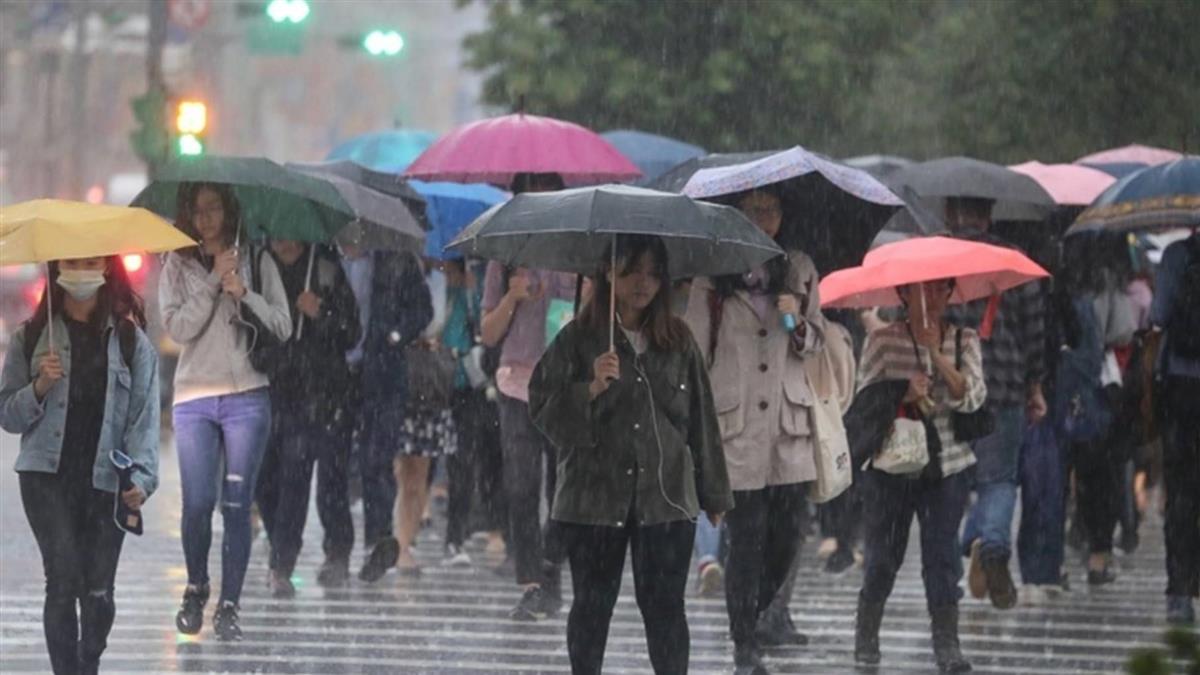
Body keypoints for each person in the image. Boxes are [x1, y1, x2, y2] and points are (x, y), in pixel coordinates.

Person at [529, 235, 733, 675]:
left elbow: (701, 417)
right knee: (591, 606)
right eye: (632, 270)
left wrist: (713, 493)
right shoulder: (578, 338)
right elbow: (543, 408)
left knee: (664, 609)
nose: (644, 282)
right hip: (594, 497)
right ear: (609, 273)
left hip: (666, 499)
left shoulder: (678, 340)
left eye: (653, 272)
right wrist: (590, 388)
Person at [684, 188, 825, 674]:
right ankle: (744, 643)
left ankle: (756, 612)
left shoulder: (801, 267)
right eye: (753, 209)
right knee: (747, 538)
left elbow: (814, 344)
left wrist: (797, 318)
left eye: (773, 209)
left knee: (788, 534)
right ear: (737, 214)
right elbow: (695, 353)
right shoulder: (712, 271)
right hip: (735, 424)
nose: (764, 219)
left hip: (788, 426)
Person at [0, 256, 159, 674]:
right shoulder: (32, 337)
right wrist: (39, 387)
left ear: (106, 268)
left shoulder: (130, 341)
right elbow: (8, 416)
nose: (82, 269)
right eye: (73, 261)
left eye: (91, 261)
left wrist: (141, 480)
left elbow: (144, 419)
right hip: (46, 478)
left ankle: (87, 661)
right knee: (62, 580)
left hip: (106, 482)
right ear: (57, 268)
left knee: (98, 594)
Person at [160, 183, 291, 640]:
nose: (206, 218)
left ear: (229, 210)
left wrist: (245, 294)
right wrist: (214, 282)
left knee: (237, 504)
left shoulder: (256, 259)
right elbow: (177, 328)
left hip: (247, 397)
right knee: (198, 502)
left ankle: (230, 605)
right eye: (197, 210)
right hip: (195, 396)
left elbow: (282, 326)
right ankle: (197, 586)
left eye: (214, 208)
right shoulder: (175, 265)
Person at [853, 279, 986, 674]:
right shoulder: (881, 341)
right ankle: (867, 633)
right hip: (893, 467)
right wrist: (902, 392)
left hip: (948, 465)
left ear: (949, 295)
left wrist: (935, 354)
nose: (929, 299)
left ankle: (947, 645)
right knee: (883, 558)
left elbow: (974, 396)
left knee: (942, 557)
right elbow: (863, 401)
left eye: (938, 291)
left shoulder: (964, 340)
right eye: (919, 291)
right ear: (903, 295)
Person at [480, 172, 575, 620]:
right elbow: (488, 331)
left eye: (547, 196)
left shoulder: (578, 252)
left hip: (565, 387)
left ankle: (551, 566)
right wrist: (513, 297)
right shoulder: (506, 255)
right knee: (520, 486)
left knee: (564, 490)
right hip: (516, 384)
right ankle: (533, 579)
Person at [947, 197, 1046, 611]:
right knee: (999, 480)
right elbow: (1034, 329)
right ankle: (993, 546)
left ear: (953, 214)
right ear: (989, 215)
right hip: (1004, 385)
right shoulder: (1013, 263)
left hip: (952, 387)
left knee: (950, 483)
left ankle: (949, 565)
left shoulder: (940, 257)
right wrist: (1035, 385)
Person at [254, 240, 360, 596]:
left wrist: (322, 312)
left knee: (323, 481)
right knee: (267, 481)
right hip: (275, 390)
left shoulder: (326, 267)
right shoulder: (258, 267)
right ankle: (279, 546)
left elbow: (352, 332)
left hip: (327, 395)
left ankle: (305, 559)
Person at [335, 225, 433, 583]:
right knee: (336, 464)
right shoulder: (327, 257)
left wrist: (394, 334)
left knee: (377, 459)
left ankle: (377, 543)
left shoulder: (396, 259)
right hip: (336, 374)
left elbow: (422, 309)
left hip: (384, 373)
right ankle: (337, 549)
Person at [392, 260, 456, 576]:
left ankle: (405, 543)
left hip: (429, 381)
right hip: (399, 375)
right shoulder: (396, 270)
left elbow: (444, 323)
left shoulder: (441, 279)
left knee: (419, 473)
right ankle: (397, 540)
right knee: (401, 471)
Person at [1149, 230, 1200, 625]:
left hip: (1182, 386)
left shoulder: (1176, 255)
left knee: (1181, 490)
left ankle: (1179, 591)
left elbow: (1160, 314)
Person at [442, 258, 505, 566]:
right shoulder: (450, 282)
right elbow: (446, 331)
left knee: (496, 460)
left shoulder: (496, 274)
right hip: (460, 385)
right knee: (461, 462)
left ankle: (496, 528)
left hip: (494, 382)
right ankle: (455, 535)